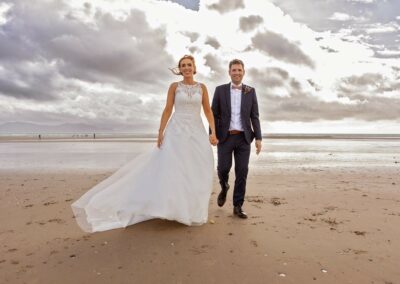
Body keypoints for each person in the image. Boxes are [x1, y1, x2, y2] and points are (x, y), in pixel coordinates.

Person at [72, 55, 218, 232]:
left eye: (189, 65)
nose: (186, 68)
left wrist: (213, 132)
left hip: (196, 131)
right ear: (180, 69)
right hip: (176, 131)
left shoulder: (202, 88)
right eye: (183, 66)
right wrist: (160, 132)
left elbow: (208, 111)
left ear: (194, 67)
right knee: (174, 168)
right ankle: (174, 209)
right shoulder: (174, 87)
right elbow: (167, 110)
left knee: (196, 167)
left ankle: (191, 209)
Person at [211, 59, 262, 219]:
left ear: (243, 72)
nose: (237, 72)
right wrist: (212, 133)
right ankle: (224, 186)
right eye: (234, 70)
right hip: (224, 137)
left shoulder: (250, 91)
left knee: (242, 172)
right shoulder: (220, 90)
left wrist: (259, 137)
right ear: (229, 72)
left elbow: (255, 116)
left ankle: (237, 205)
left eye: (239, 70)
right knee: (223, 168)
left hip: (244, 138)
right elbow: (214, 114)